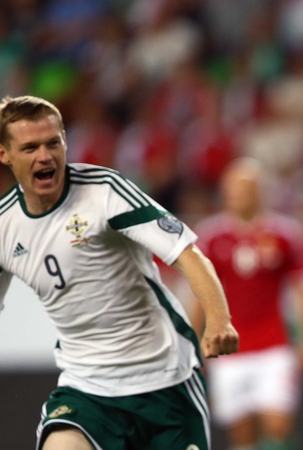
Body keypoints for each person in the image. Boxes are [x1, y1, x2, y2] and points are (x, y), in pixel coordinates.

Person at [0, 95, 239, 450]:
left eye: (53, 143)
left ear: (65, 141)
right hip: (87, 389)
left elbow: (188, 255)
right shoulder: (4, 225)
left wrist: (219, 320)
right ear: (4, 154)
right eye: (30, 147)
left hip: (165, 380)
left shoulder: (104, 191)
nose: (45, 156)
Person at [193, 157, 303, 450]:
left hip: (274, 345)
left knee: (278, 425)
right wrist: (196, 341)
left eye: (245, 188)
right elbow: (199, 294)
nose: (238, 195)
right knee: (241, 433)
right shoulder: (212, 237)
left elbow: (302, 291)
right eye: (233, 189)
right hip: (230, 348)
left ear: (260, 191)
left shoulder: (284, 234)